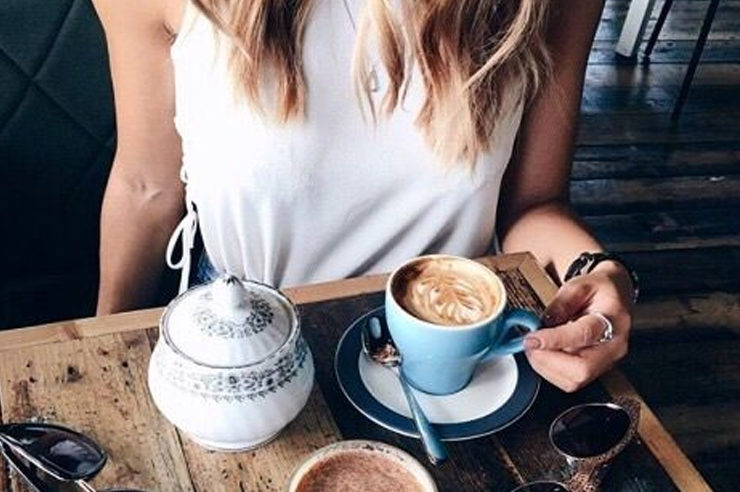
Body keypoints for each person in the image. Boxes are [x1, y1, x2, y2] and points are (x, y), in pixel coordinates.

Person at [92, 0, 634, 393]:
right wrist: (98, 354)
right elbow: (146, 187)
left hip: (459, 355)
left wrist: (602, 272)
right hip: (240, 348)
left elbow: (533, 204)